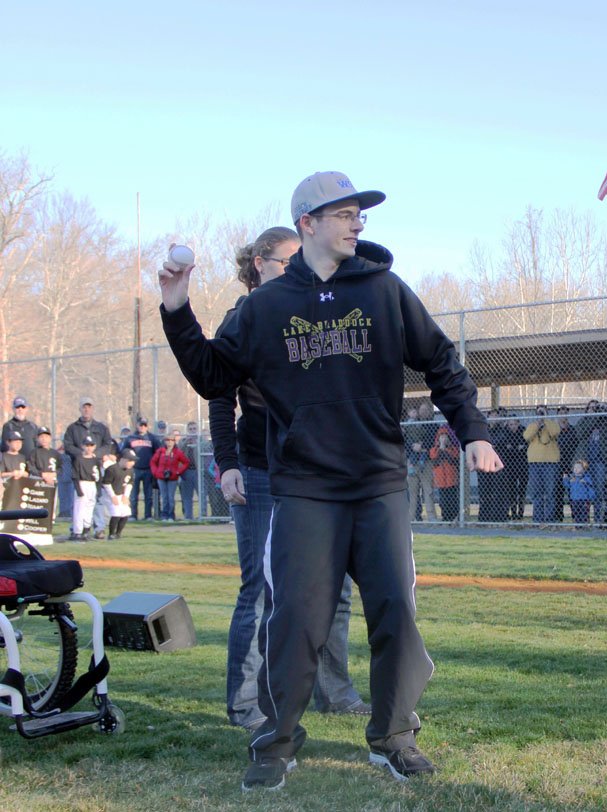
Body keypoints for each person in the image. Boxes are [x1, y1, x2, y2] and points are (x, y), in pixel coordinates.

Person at [159, 170, 502, 790]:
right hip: (304, 488)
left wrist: (473, 430)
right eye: (344, 213)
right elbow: (214, 376)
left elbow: (442, 361)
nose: (357, 222)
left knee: (395, 607)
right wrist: (177, 308)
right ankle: (278, 740)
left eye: (359, 214)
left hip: (377, 482)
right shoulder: (264, 307)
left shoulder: (385, 291)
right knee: (294, 618)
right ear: (307, 224)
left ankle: (393, 735)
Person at [210, 226, 369, 733]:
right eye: (286, 261)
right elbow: (219, 396)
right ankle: (245, 704)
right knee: (259, 590)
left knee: (337, 587)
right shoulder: (245, 316)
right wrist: (228, 463)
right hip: (259, 469)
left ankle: (334, 692)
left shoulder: (311, 313)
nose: (297, 269)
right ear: (260, 263)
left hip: (316, 472)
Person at [64, 396, 113, 538]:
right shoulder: (73, 428)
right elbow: (68, 445)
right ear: (80, 409)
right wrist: (82, 454)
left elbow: (107, 444)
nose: (86, 409)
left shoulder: (101, 427)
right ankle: (77, 529)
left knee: (96, 498)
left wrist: (95, 454)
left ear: (92, 408)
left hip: (96, 465)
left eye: (89, 406)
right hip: (79, 467)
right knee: (79, 499)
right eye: (84, 407)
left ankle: (98, 528)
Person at [574, 399, 607, 525]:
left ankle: (599, 520)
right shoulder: (584, 421)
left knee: (599, 490)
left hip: (600, 460)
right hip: (585, 461)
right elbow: (580, 433)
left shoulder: (605, 421)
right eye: (592, 408)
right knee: (583, 491)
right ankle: (583, 520)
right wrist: (592, 416)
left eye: (596, 408)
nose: (595, 410)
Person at [523, 405, 560, 523]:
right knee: (536, 493)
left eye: (543, 412)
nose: (541, 415)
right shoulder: (532, 425)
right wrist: (538, 424)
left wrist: (546, 419)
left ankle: (549, 519)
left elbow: (555, 432)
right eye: (539, 412)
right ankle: (537, 519)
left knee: (550, 492)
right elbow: (526, 436)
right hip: (535, 463)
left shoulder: (552, 424)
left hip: (550, 463)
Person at [121, 417, 161, 520]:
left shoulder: (152, 438)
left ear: (147, 426)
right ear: (137, 425)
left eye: (144, 425)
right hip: (135, 469)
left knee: (148, 495)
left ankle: (148, 516)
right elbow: (124, 451)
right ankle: (133, 515)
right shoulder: (131, 438)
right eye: (141, 425)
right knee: (133, 494)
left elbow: (159, 452)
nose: (142, 427)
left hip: (148, 469)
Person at [403, 400, 437, 521]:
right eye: (421, 410)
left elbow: (433, 441)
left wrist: (422, 447)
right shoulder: (411, 424)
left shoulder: (433, 424)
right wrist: (413, 446)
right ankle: (411, 518)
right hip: (412, 462)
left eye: (425, 410)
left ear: (430, 412)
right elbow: (405, 440)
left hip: (425, 462)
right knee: (412, 492)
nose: (423, 412)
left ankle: (432, 517)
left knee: (428, 491)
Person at [149, 433, 189, 521]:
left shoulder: (178, 452)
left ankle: (171, 515)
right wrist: (156, 472)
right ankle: (164, 515)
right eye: (167, 440)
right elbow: (153, 462)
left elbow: (186, 462)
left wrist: (178, 472)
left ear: (174, 442)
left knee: (171, 497)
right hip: (161, 477)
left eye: (172, 440)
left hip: (172, 478)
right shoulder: (160, 451)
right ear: (164, 441)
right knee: (164, 497)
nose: (169, 442)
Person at [70, 435, 101, 541]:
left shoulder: (96, 460)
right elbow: (75, 476)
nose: (89, 448)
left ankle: (86, 530)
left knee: (89, 508)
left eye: (91, 445)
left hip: (92, 484)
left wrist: (98, 489)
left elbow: (99, 476)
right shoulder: (79, 459)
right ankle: (77, 531)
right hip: (82, 483)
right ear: (82, 446)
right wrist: (78, 490)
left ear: (95, 446)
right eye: (87, 445)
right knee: (79, 509)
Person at [102, 448, 137, 539]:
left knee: (126, 512)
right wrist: (113, 496)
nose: (132, 463)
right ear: (123, 459)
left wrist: (126, 496)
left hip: (121, 494)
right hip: (110, 494)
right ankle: (111, 534)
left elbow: (129, 484)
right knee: (116, 512)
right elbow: (106, 484)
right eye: (130, 460)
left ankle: (118, 533)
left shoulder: (130, 470)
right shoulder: (112, 469)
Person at [498, 414, 528, 520]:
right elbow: (505, 447)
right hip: (510, 466)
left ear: (518, 423)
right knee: (512, 490)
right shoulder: (505, 433)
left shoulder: (524, 431)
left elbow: (525, 446)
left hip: (523, 465)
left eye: (515, 424)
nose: (513, 426)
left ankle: (521, 513)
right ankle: (513, 512)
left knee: (522, 490)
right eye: (511, 424)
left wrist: (514, 448)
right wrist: (517, 448)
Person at [428, 422, 459, 521]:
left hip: (451, 479)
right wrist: (440, 447)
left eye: (445, 437)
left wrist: (445, 449)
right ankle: (445, 517)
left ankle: (454, 517)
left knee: (452, 499)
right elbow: (434, 458)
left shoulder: (453, 449)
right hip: (441, 480)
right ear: (438, 438)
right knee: (443, 501)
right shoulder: (434, 449)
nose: (443, 439)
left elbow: (453, 457)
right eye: (441, 437)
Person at [554, 406, 579, 521]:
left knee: (572, 492)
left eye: (565, 413)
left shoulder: (573, 430)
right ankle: (558, 517)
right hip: (556, 465)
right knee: (557, 492)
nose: (563, 416)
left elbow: (575, 446)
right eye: (561, 413)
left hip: (569, 465)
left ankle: (576, 516)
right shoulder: (554, 431)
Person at [178, 421, 200, 520]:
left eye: (194, 429)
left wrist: (197, 443)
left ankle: (202, 515)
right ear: (187, 430)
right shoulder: (183, 441)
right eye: (190, 429)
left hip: (198, 471)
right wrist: (187, 442)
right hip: (186, 472)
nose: (192, 431)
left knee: (201, 495)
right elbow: (179, 452)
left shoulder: (202, 440)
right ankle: (188, 516)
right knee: (187, 496)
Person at [563, 459, 595, 524]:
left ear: (584, 469)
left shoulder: (586, 477)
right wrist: (565, 478)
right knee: (575, 513)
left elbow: (591, 486)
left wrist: (585, 481)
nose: (576, 469)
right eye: (575, 467)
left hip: (584, 500)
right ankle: (577, 525)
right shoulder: (572, 478)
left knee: (584, 513)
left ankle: (584, 524)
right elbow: (567, 486)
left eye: (578, 467)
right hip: (574, 499)